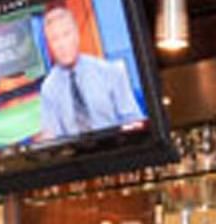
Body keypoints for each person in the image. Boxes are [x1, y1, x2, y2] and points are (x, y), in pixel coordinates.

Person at [37, 3, 143, 141]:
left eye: (66, 34)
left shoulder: (110, 71)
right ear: (49, 45)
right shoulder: (49, 89)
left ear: (76, 34)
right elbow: (53, 140)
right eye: (55, 39)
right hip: (76, 159)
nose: (62, 44)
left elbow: (135, 122)